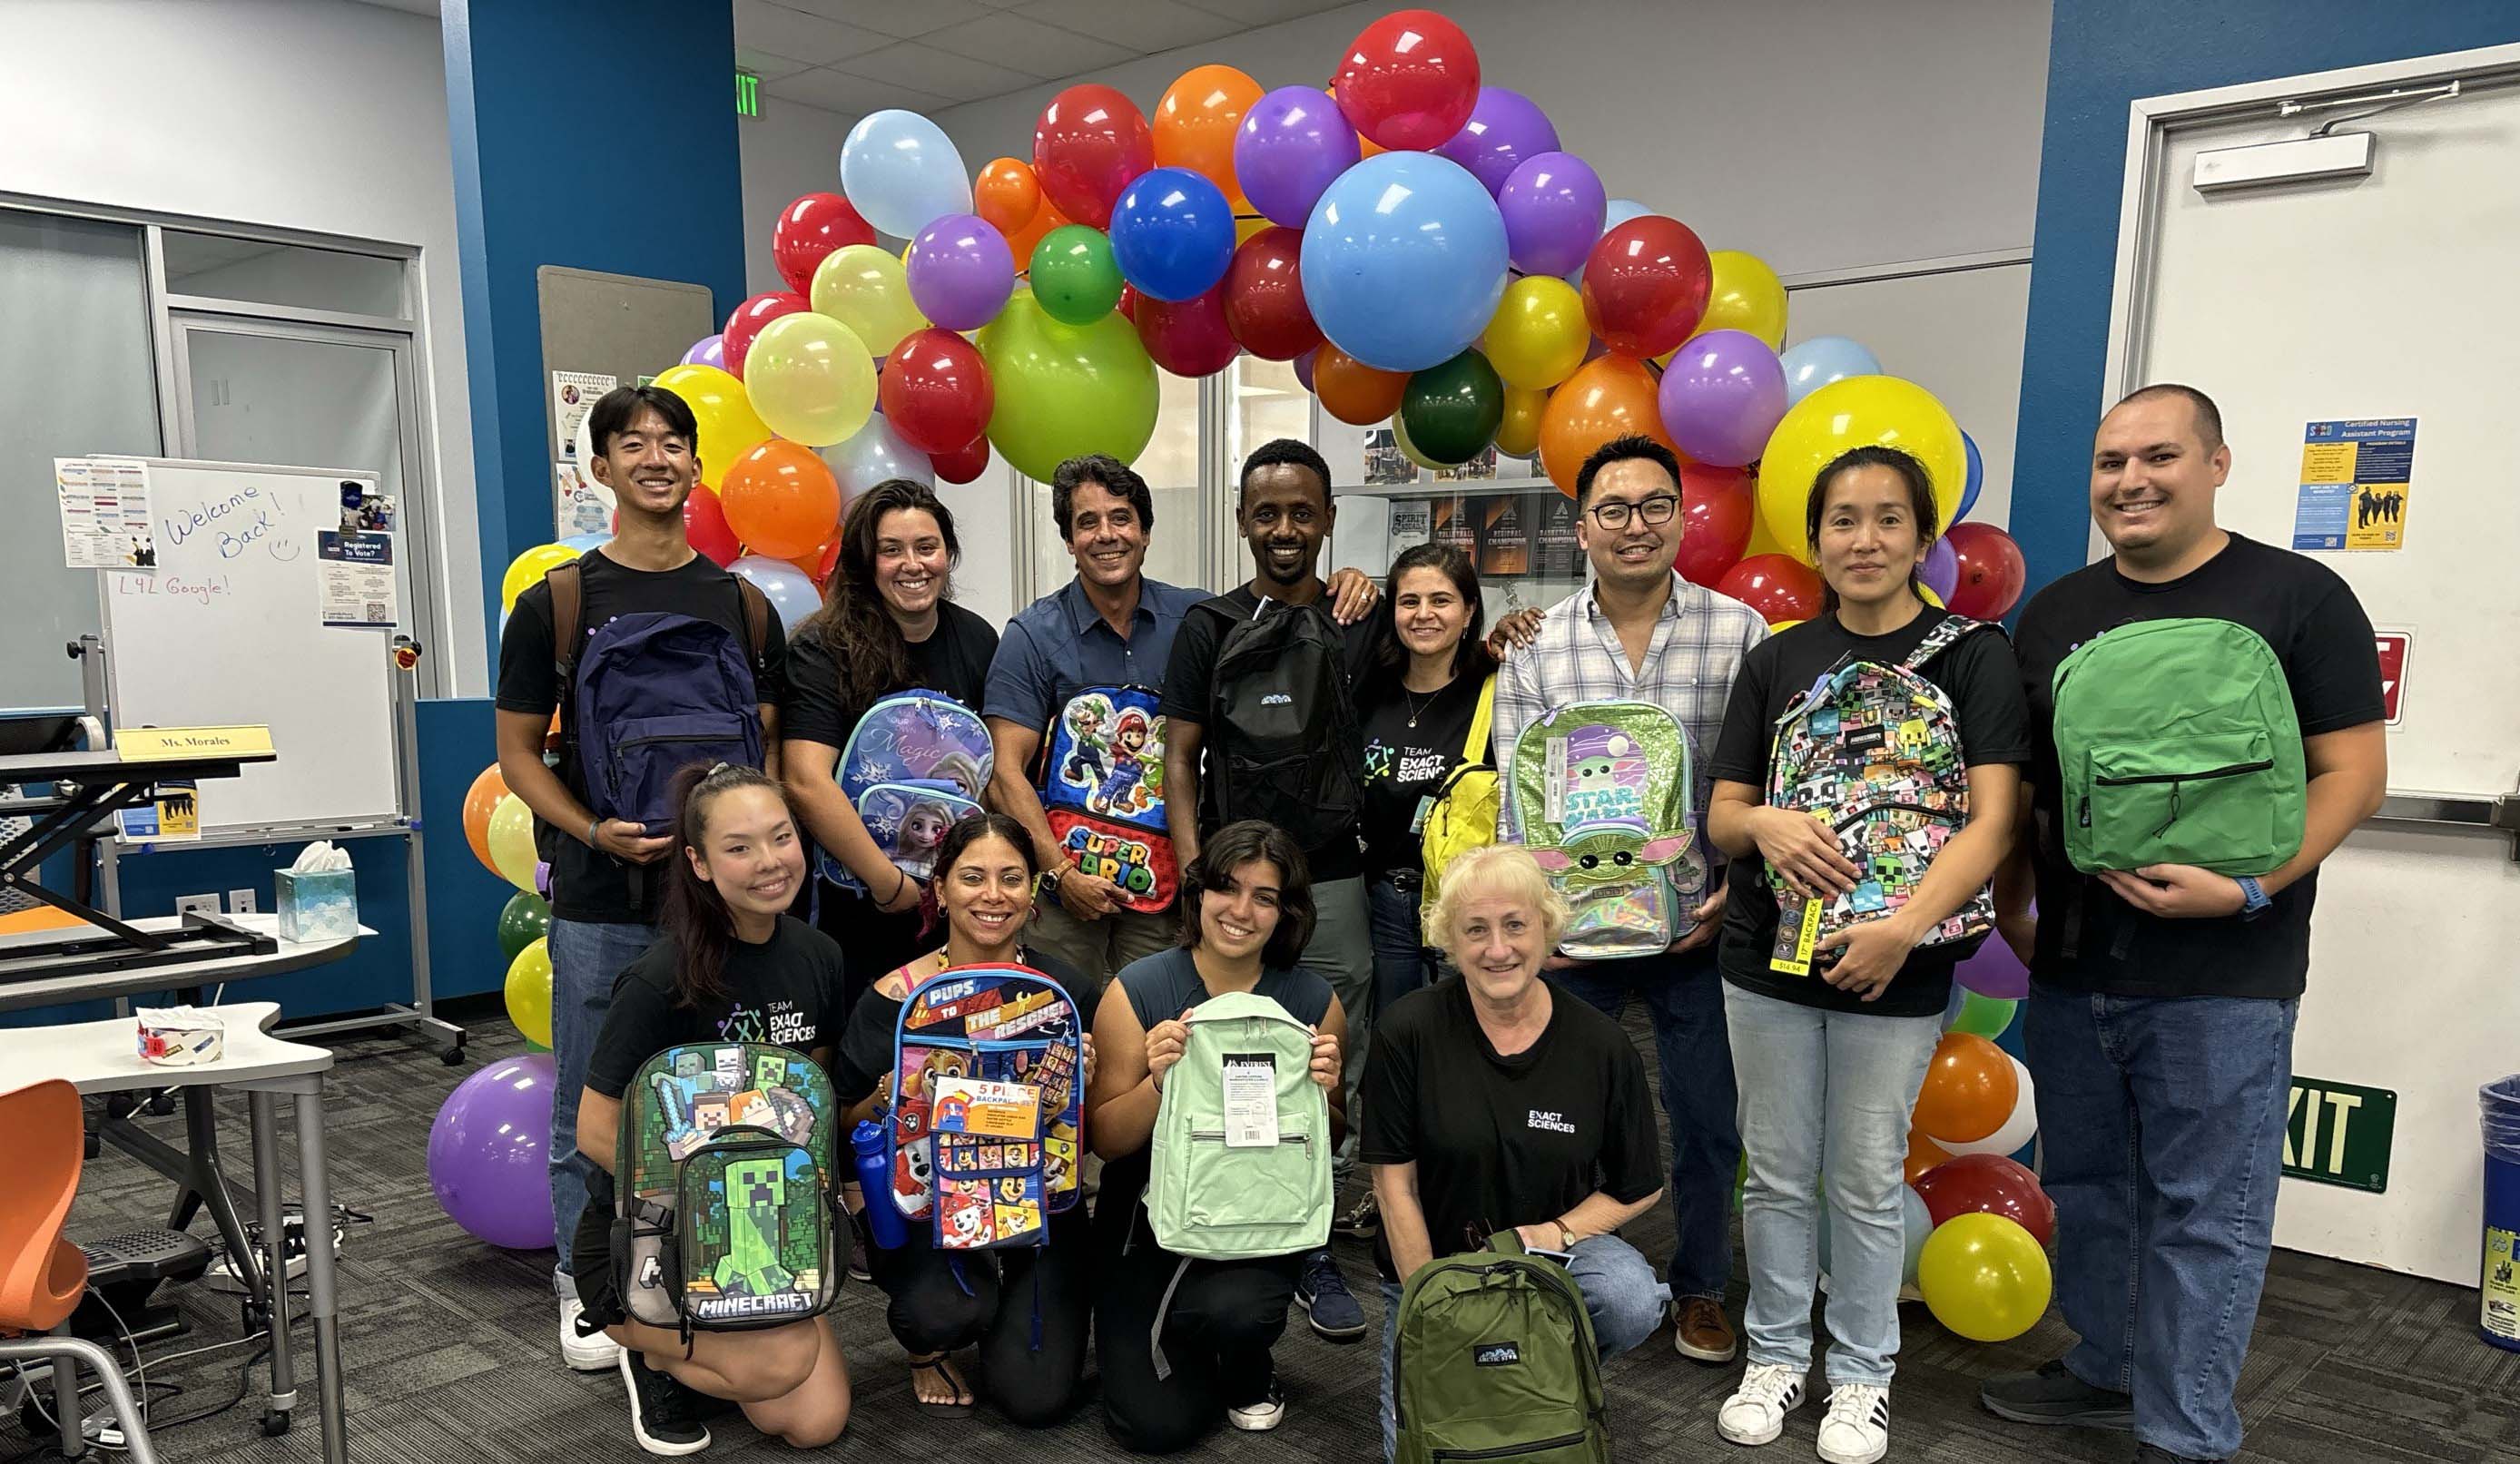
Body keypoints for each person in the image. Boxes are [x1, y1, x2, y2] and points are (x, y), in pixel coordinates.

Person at [1983, 385, 2386, 1464]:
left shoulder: (2299, 596)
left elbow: (2352, 770)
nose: (2130, 480)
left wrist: (2251, 886)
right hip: (2071, 964)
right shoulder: (2059, 613)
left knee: (2207, 1211)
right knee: (2088, 1189)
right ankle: (2109, 1365)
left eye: (2158, 455)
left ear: (2216, 463)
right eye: (2111, 462)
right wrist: (2015, 908)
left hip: (2225, 970)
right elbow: (2031, 789)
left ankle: (2187, 1429)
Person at [1704, 447, 2029, 1464]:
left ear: (1923, 539)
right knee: (1779, 1170)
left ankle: (1860, 1374)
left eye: (1889, 520)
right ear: (1814, 541)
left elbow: (1992, 820)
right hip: (1768, 959)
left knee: (1862, 1173)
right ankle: (1773, 1353)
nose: (1864, 540)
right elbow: (1719, 813)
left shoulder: (1973, 655)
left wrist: (1900, 929)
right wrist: (1763, 829)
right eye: (1842, 520)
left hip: (1903, 960)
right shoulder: (1777, 660)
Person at [496, 384, 788, 1372]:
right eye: (634, 444)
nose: (656, 457)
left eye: (673, 442)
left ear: (694, 466)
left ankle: (704, 1263)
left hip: (720, 906)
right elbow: (519, 755)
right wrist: (592, 830)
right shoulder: (558, 604)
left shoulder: (743, 605)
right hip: (600, 893)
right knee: (591, 1097)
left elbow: (770, 754)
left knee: (720, 1093)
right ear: (601, 469)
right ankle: (585, 1284)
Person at [1492, 432, 1767, 1364]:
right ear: (1581, 528)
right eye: (1613, 509)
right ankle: (1557, 1273)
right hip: (1577, 935)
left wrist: (1739, 890)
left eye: (1654, 504)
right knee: (1558, 1118)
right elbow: (1514, 795)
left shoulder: (1738, 632)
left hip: (1698, 923)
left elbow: (1765, 780)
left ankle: (1698, 1287)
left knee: (1704, 1116)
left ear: (1684, 515)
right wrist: (1534, 925)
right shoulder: (1540, 645)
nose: (1635, 525)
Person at [1157, 438, 1379, 1341]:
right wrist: (1194, 870)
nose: (1284, 528)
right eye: (1266, 512)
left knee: (1330, 1057)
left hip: (1334, 874)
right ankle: (1218, 1203)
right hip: (1236, 879)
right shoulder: (1208, 625)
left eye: (1301, 511)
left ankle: (1313, 1233)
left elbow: (1447, 665)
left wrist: (1503, 630)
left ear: (1326, 518)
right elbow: (1178, 755)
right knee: (1224, 1050)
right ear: (1242, 520)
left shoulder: (1362, 614)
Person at [572, 762, 849, 1455]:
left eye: (780, 837)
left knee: (816, 1422)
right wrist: (706, 1208)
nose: (769, 862)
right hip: (647, 1237)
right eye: (739, 847)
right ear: (696, 861)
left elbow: (811, 1100)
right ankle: (650, 1349)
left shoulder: (819, 956)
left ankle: (707, 1350)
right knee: (781, 1363)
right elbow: (594, 1129)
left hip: (765, 1232)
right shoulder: (658, 979)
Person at [1363, 844, 1669, 1461]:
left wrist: (1557, 1230)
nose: (1497, 948)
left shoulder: (1602, 1045)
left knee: (1632, 1294)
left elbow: (1640, 1184)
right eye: (1475, 929)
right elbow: (1395, 1186)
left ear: (1546, 926)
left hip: (1548, 1269)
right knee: (1424, 1448)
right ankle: (1518, 1374)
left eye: (1514, 925)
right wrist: (1435, 1310)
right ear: (1449, 937)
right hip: (1433, 1268)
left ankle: (1547, 1363)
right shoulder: (1407, 1030)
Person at [1085, 821, 1349, 1449]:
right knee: (1150, 1427)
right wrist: (1156, 1081)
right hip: (1146, 1220)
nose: (1241, 910)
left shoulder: (1312, 999)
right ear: (1199, 893)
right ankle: (1197, 1350)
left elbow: (1329, 1139)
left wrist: (1324, 1091)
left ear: (1286, 911)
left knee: (1241, 1311)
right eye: (1227, 888)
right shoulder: (1139, 990)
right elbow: (1106, 1141)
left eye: (1265, 896)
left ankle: (1244, 1355)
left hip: (1259, 1217)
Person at [829, 812, 1095, 1423]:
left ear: (1032, 892)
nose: (994, 895)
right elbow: (845, 1119)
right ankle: (930, 1349)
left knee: (1035, 1399)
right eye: (973, 877)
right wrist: (890, 1095)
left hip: (1042, 1199)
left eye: (1012, 878)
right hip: (930, 1200)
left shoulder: (1066, 989)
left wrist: (1086, 1078)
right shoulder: (897, 997)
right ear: (942, 889)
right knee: (942, 1311)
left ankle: (1018, 1305)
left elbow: (1097, 1130)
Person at [983, 454, 1209, 1000]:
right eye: (1088, 522)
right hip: (1065, 892)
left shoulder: (1197, 620)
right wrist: (1059, 872)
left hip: (1169, 885)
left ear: (1146, 531)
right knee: (1055, 1022)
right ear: (1068, 540)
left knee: (1161, 1029)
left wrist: (1346, 584)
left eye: (1121, 517)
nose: (1106, 535)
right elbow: (1002, 770)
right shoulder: (1033, 635)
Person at [1334, 542, 1499, 1243]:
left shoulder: (1499, 682)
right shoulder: (1365, 685)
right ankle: (1389, 1192)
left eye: (1441, 600)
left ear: (1468, 612)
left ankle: (1465, 1195)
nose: (1424, 613)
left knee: (1473, 1051)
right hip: (1385, 901)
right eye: (1409, 600)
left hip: (1465, 906)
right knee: (1394, 1056)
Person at [782, 479, 999, 1007]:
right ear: (865, 560)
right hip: (854, 902)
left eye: (927, 548)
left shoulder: (978, 639)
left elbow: (985, 778)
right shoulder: (823, 647)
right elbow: (806, 781)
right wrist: (889, 885)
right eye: (891, 550)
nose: (912, 564)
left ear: (948, 554)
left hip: (954, 903)